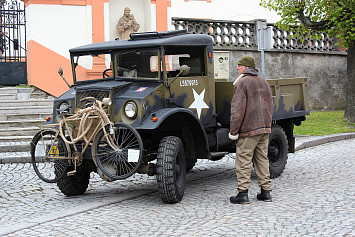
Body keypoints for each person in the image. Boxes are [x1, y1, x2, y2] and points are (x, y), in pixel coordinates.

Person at [228, 56, 274, 204]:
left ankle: (243, 194)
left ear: (246, 67)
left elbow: (237, 110)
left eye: (239, 65)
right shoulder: (263, 81)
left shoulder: (242, 82)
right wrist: (267, 125)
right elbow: (270, 106)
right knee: (262, 159)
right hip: (264, 127)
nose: (237, 68)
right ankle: (266, 192)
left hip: (249, 129)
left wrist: (233, 131)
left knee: (243, 160)